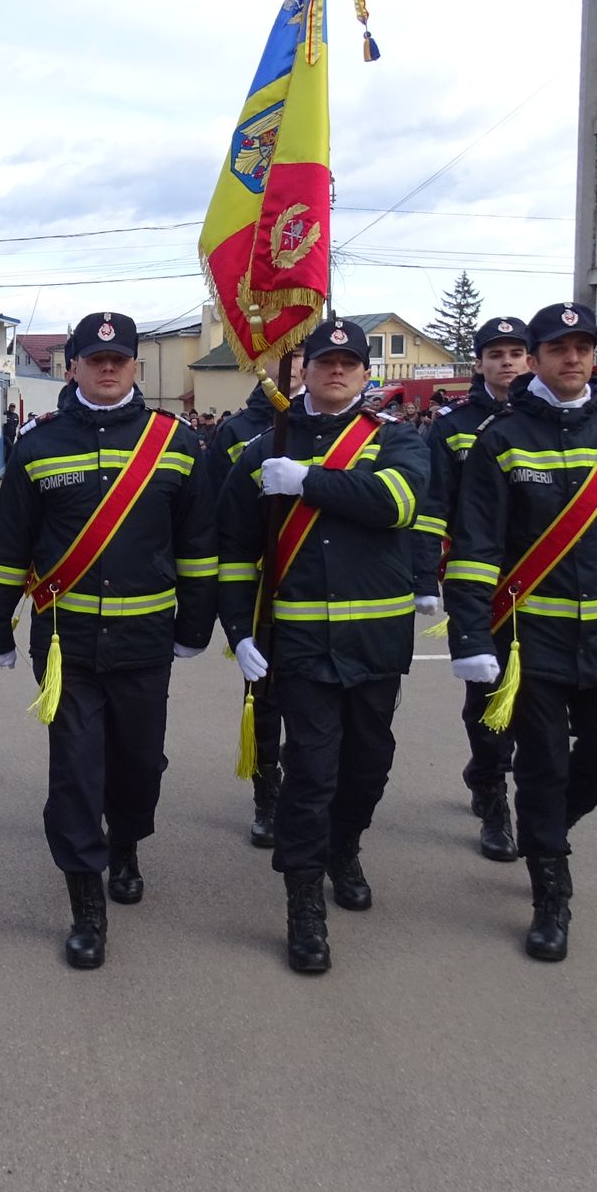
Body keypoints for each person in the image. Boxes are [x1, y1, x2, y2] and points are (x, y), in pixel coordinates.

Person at [445, 303, 597, 962]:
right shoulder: (501, 438)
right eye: (558, 347)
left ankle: (544, 829)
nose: (573, 357)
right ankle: (550, 892)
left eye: (583, 346)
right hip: (533, 640)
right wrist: (470, 637)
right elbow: (475, 547)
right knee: (544, 766)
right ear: (536, 358)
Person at [0, 311, 216, 969]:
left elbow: (198, 546)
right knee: (76, 772)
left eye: (120, 359)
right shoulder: (38, 445)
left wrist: (197, 625)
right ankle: (86, 901)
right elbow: (8, 546)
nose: (108, 369)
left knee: (139, 766)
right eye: (95, 359)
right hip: (66, 644)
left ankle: (127, 843)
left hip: (146, 640)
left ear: (135, 365)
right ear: (73, 366)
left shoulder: (177, 443)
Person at [217, 320, 428, 974]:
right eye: (325, 360)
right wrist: (239, 631)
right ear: (303, 370)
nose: (336, 370)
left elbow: (397, 503)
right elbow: (234, 551)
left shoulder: (396, 440)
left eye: (349, 362)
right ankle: (304, 902)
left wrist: (307, 480)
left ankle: (345, 847)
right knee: (311, 774)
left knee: (368, 768)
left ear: (366, 374)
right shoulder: (262, 450)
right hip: (300, 642)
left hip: (376, 640)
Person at [413, 315, 531, 862]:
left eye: (516, 352)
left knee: (540, 698)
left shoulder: (545, 419)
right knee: (487, 691)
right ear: (478, 362)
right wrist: (425, 576)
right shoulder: (453, 425)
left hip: (546, 576)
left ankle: (525, 791)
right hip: (480, 577)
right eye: (496, 353)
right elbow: (433, 503)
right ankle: (491, 790)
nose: (507, 362)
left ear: (531, 359)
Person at [199, 377, 286, 848]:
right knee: (265, 699)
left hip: (328, 590)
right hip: (261, 590)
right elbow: (218, 512)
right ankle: (267, 796)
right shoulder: (237, 431)